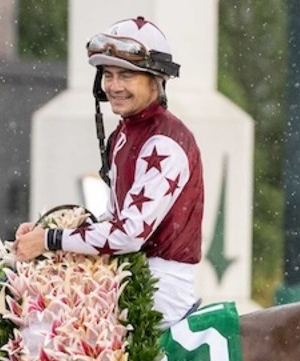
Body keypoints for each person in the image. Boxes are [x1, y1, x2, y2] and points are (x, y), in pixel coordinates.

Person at [13, 16, 204, 330]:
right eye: (109, 75)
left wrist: (51, 239)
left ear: (156, 79)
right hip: (127, 271)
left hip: (162, 291)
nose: (114, 86)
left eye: (126, 75)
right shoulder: (124, 134)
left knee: (48, 329)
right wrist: (44, 230)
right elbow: (113, 221)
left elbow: (128, 235)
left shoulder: (166, 143)